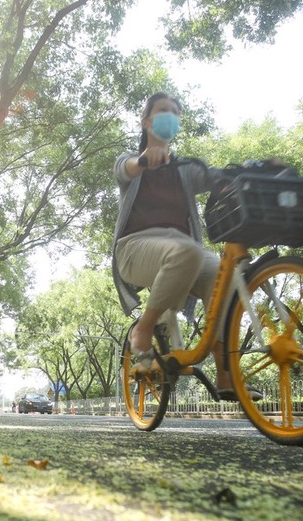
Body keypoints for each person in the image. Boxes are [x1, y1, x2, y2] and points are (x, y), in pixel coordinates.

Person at [111, 91, 260, 401]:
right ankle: (143, 330)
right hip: (135, 248)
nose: (171, 116)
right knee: (190, 251)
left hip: (182, 248)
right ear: (147, 121)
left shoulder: (185, 168)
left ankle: (225, 374)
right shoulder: (131, 161)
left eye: (176, 112)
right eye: (164, 110)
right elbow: (124, 169)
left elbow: (216, 177)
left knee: (226, 277)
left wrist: (255, 170)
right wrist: (143, 160)